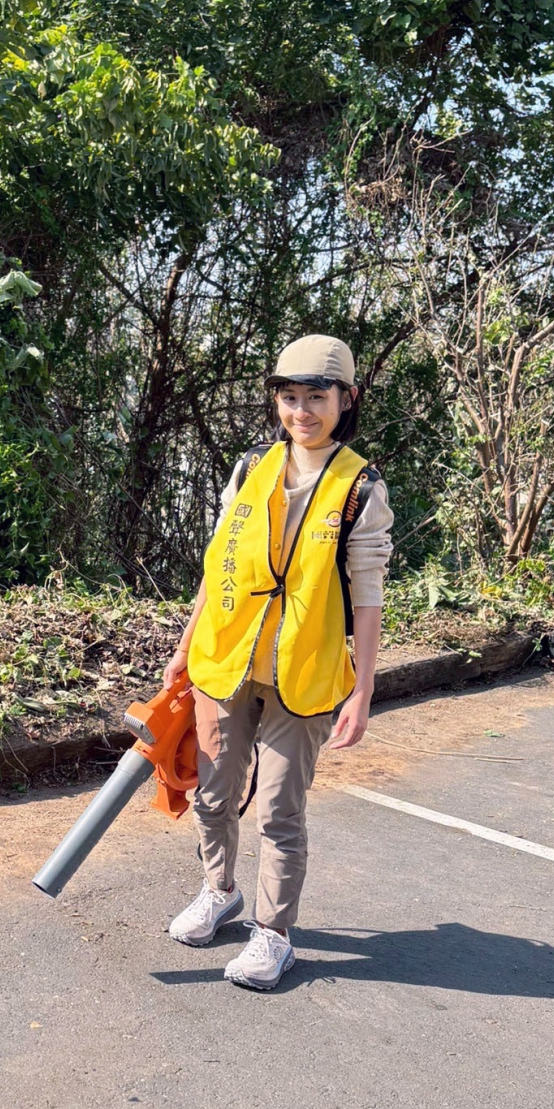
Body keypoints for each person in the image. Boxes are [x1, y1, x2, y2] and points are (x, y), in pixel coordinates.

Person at [161, 335, 393, 990]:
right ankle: (219, 890)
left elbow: (368, 597)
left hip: (305, 673)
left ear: (346, 400)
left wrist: (363, 691)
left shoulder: (360, 488)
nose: (301, 411)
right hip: (228, 660)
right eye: (289, 397)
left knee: (279, 812)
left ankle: (274, 934)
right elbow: (218, 565)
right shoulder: (251, 469)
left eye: (316, 397)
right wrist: (185, 648)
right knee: (213, 794)